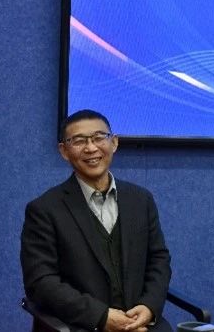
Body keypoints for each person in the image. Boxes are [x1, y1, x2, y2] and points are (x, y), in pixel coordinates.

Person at [21, 109, 172, 332]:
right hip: (81, 325)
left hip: (141, 324)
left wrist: (148, 307)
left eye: (99, 137)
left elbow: (158, 259)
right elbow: (41, 282)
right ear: (64, 151)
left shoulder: (141, 199)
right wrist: (101, 317)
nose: (91, 148)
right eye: (79, 141)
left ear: (114, 143)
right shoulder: (44, 210)